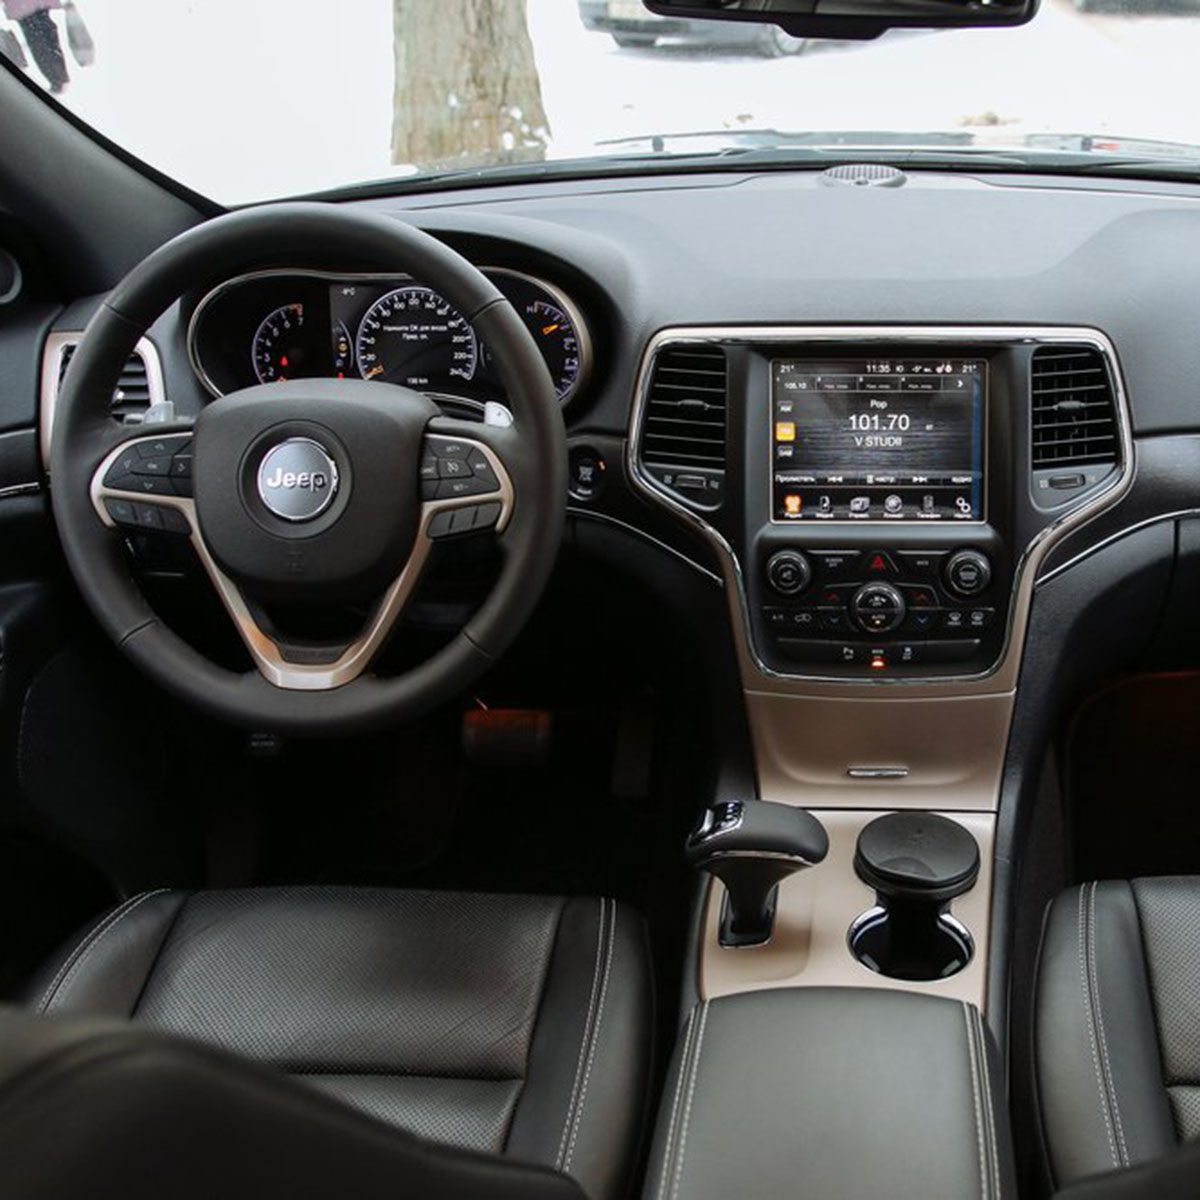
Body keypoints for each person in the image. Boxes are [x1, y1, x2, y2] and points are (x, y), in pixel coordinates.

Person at [3, 0, 68, 94]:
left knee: (39, 44)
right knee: (48, 38)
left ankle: (56, 78)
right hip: (37, 5)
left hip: (23, 9)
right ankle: (59, 76)